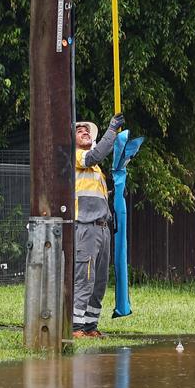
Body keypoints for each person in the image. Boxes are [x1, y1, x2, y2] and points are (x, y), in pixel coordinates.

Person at [73, 113, 125, 338]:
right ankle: (75, 328)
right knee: (85, 276)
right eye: (79, 130)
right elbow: (95, 155)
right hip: (85, 227)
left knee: (100, 280)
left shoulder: (96, 171)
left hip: (102, 228)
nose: (85, 132)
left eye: (87, 130)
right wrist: (112, 130)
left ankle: (90, 326)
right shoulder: (75, 157)